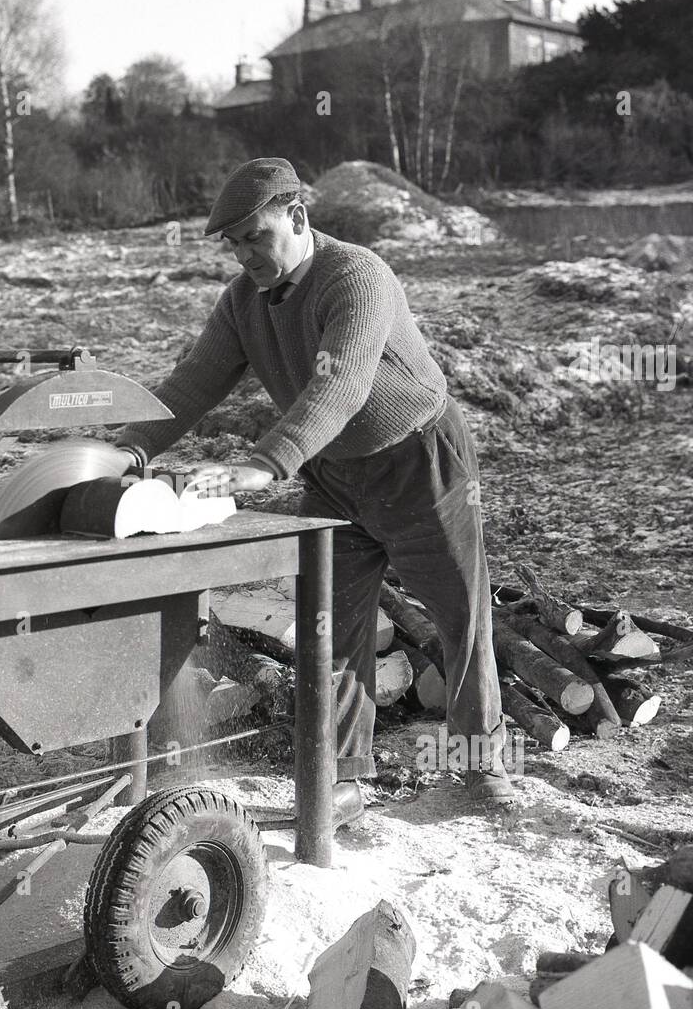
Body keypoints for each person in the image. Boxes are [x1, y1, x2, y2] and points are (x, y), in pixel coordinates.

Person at [115, 157, 513, 817]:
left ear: (296, 218)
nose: (245, 255)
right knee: (330, 626)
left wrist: (268, 463)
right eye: (234, 244)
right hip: (334, 476)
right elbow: (191, 386)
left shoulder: (356, 276)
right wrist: (126, 450)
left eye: (256, 237)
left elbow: (342, 386)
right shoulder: (243, 304)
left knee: (460, 618)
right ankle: (342, 776)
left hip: (420, 462)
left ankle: (481, 770)